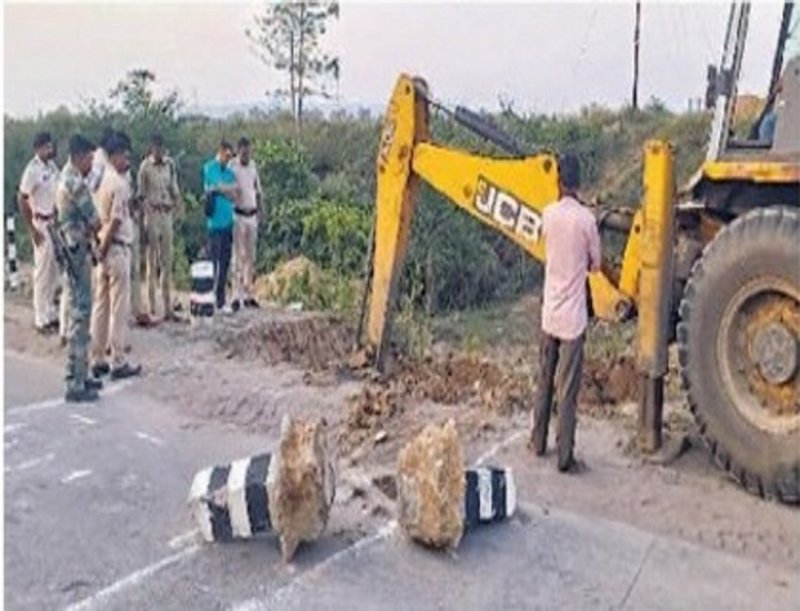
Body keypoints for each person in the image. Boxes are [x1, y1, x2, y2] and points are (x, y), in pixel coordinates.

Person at [530, 152, 601, 473]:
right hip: (573, 319)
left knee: (544, 379)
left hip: (550, 315)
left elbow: (543, 244)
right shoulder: (587, 221)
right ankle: (564, 457)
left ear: (558, 180)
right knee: (567, 389)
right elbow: (596, 264)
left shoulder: (548, 215)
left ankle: (537, 441)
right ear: (579, 182)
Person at [89, 132, 142, 380]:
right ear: (115, 155)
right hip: (116, 247)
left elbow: (97, 219)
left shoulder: (98, 180)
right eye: (125, 155)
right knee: (119, 307)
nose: (127, 160)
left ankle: (97, 356)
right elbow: (115, 220)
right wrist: (105, 245)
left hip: (102, 248)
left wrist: (98, 247)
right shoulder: (118, 184)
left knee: (101, 305)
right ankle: (118, 358)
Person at [56, 135, 104, 402]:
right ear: (79, 156)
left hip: (73, 248)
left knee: (80, 311)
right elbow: (95, 220)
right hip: (77, 251)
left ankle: (80, 374)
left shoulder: (66, 177)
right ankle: (75, 381)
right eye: (89, 158)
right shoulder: (75, 182)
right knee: (81, 314)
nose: (90, 163)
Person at [18, 132, 61, 334]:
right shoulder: (32, 170)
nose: (50, 150)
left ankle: (50, 311)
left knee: (53, 270)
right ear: (38, 149)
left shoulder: (52, 167)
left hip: (53, 221)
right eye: (46, 147)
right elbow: (22, 198)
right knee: (42, 271)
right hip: (40, 222)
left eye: (50, 147)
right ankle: (40, 317)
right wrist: (32, 230)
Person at [137, 133, 182, 321]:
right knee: (151, 261)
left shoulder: (169, 165)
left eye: (161, 149)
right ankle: (152, 306)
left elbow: (174, 189)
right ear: (151, 149)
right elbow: (140, 195)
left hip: (166, 213)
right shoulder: (145, 167)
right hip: (152, 213)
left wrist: (178, 206)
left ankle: (167, 306)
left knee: (167, 261)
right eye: (156, 149)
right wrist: (142, 222)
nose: (159, 152)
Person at [203, 141, 239, 313]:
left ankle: (220, 299)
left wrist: (221, 190)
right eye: (227, 156)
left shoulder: (230, 173)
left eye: (230, 157)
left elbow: (235, 192)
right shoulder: (210, 167)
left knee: (225, 263)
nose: (228, 159)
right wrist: (225, 189)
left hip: (228, 222)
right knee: (213, 263)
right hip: (214, 224)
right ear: (220, 153)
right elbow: (213, 186)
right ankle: (208, 298)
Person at [229, 137, 263, 310]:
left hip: (252, 215)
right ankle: (235, 295)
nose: (246, 155)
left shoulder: (253, 166)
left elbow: (258, 191)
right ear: (238, 151)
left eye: (248, 152)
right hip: (238, 215)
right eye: (243, 152)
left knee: (250, 257)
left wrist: (261, 212)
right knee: (237, 256)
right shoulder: (232, 167)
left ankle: (249, 293)